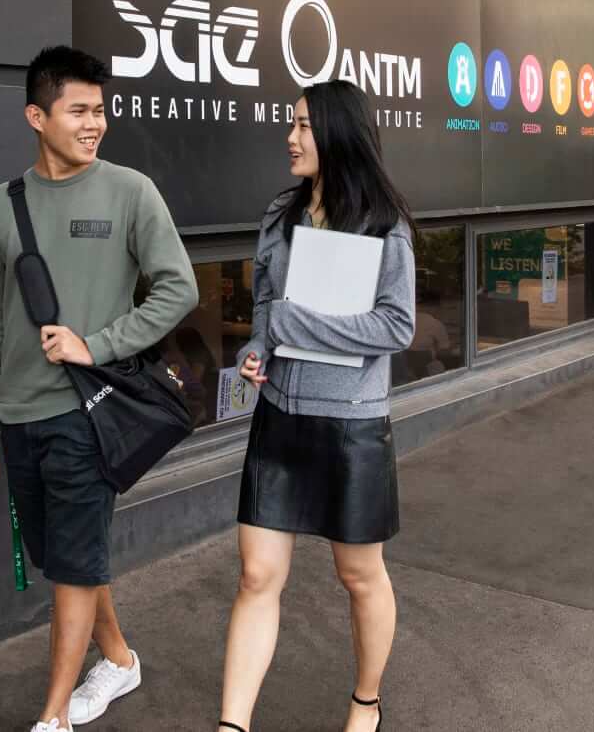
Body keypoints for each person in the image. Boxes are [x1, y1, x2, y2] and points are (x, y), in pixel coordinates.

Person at [0, 46, 199, 732]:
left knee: (71, 568)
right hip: (17, 416)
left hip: (89, 416)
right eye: (79, 110)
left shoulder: (130, 191)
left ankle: (55, 715)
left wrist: (100, 342)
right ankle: (119, 658)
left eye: (101, 110)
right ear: (37, 115)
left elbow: (179, 285)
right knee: (66, 558)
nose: (95, 123)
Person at [216, 80, 416, 732]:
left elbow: (396, 326)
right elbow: (267, 310)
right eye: (291, 124)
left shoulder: (385, 222)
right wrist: (257, 349)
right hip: (279, 417)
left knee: (359, 575)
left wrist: (296, 325)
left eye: (302, 125)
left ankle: (366, 701)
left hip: (353, 425)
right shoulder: (280, 213)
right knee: (256, 573)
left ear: (335, 133)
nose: (290, 136)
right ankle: (233, 724)